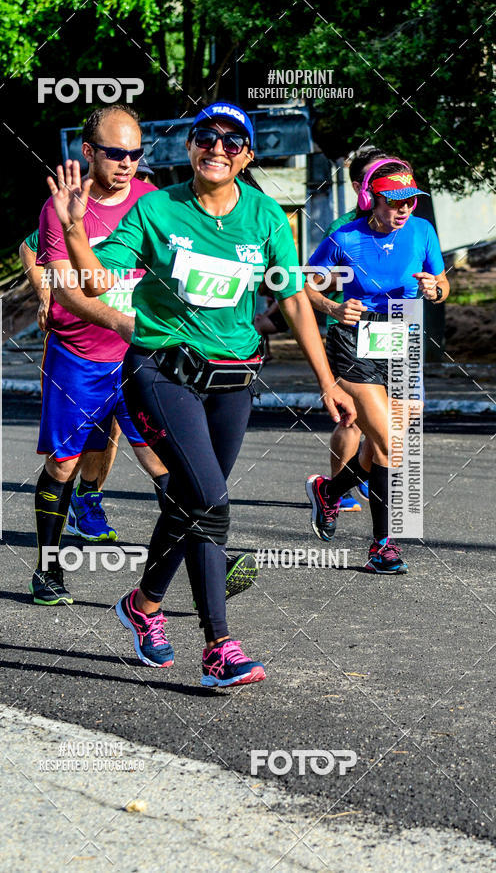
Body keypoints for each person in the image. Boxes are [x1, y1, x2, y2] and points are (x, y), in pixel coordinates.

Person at [46, 100, 356, 686]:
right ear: (188, 148)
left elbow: (291, 300)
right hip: (161, 374)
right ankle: (219, 646)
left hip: (232, 383)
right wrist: (72, 227)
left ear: (248, 154)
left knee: (187, 504)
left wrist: (326, 381)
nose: (217, 148)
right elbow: (95, 281)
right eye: (204, 137)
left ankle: (142, 605)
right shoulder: (156, 209)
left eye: (231, 140)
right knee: (211, 500)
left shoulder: (266, 216)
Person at [29, 104, 169, 605]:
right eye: (115, 153)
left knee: (167, 465)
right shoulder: (61, 207)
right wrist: (124, 321)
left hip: (139, 361)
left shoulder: (153, 202)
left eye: (135, 153)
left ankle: (193, 575)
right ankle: (48, 569)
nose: (127, 162)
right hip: (78, 358)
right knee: (64, 467)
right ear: (88, 152)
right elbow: (67, 290)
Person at [305, 157, 449, 574]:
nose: (404, 209)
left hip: (403, 334)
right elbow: (302, 282)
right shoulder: (344, 237)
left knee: (382, 444)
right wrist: (333, 304)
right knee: (390, 441)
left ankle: (330, 491)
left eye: (410, 201)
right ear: (371, 199)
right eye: (394, 201)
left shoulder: (422, 232)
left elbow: (441, 283)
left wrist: (434, 289)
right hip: (357, 339)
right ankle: (382, 546)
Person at [20, 230, 123, 539]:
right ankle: (76, 508)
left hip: (131, 342)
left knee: (116, 428)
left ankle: (88, 497)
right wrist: (44, 293)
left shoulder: (150, 207)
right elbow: (29, 246)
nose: (134, 179)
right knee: (76, 441)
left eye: (143, 177)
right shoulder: (76, 214)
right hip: (77, 349)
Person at [319, 147, 389, 511]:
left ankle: (352, 482)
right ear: (364, 186)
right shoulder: (343, 229)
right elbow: (316, 284)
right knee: (354, 421)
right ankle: (339, 488)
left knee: (386, 426)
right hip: (350, 334)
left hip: (391, 334)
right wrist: (337, 305)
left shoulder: (406, 225)